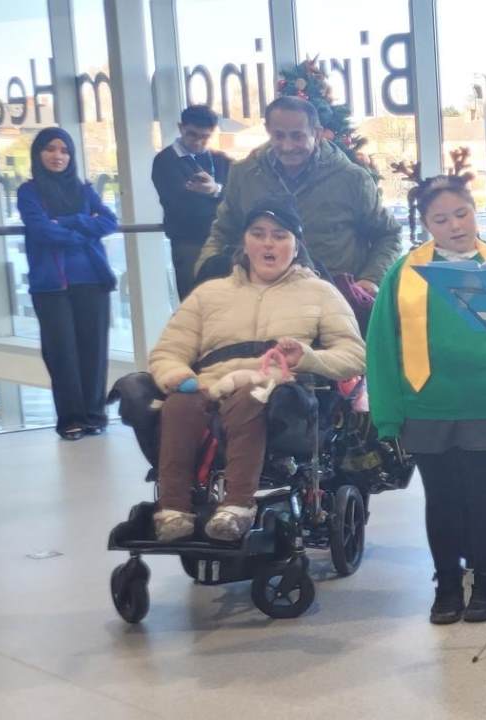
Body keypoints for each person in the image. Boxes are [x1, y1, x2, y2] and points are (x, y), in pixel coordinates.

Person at [366, 160, 486, 626]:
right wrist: (388, 413)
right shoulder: (405, 273)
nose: (455, 226)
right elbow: (382, 347)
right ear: (426, 225)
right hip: (428, 403)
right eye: (441, 220)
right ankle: (446, 583)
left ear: (475, 210)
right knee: (441, 498)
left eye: (462, 214)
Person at [145, 200, 365, 542]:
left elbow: (354, 355)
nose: (268, 244)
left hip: (281, 392)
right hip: (211, 384)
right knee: (179, 403)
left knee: (250, 398)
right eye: (258, 234)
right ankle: (173, 510)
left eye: (279, 235)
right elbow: (169, 351)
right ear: (244, 243)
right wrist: (176, 375)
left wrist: (307, 358)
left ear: (296, 246)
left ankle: (237, 506)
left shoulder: (321, 293)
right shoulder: (209, 294)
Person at [198, 96, 401, 297]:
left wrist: (371, 279)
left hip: (333, 300)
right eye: (279, 136)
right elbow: (222, 232)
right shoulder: (243, 175)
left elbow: (388, 234)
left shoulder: (353, 179)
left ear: (317, 133)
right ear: (268, 130)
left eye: (297, 136)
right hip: (259, 299)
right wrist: (206, 273)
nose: (287, 146)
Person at [17, 127, 119, 440]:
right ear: (38, 153)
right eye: (50, 149)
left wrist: (68, 222)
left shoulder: (83, 189)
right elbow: (41, 230)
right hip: (51, 285)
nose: (57, 156)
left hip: (92, 280)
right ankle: (71, 419)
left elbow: (109, 221)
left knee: (93, 350)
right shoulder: (29, 192)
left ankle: (94, 415)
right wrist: (83, 231)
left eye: (64, 150)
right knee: (61, 352)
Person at [152, 105, 230, 301]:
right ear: (181, 128)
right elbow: (180, 205)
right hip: (188, 242)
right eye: (192, 135)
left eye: (205, 136)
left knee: (225, 301)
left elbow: (239, 196)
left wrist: (214, 190)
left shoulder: (220, 160)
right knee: (193, 301)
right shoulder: (165, 161)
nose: (198, 142)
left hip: (223, 240)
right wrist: (218, 196)